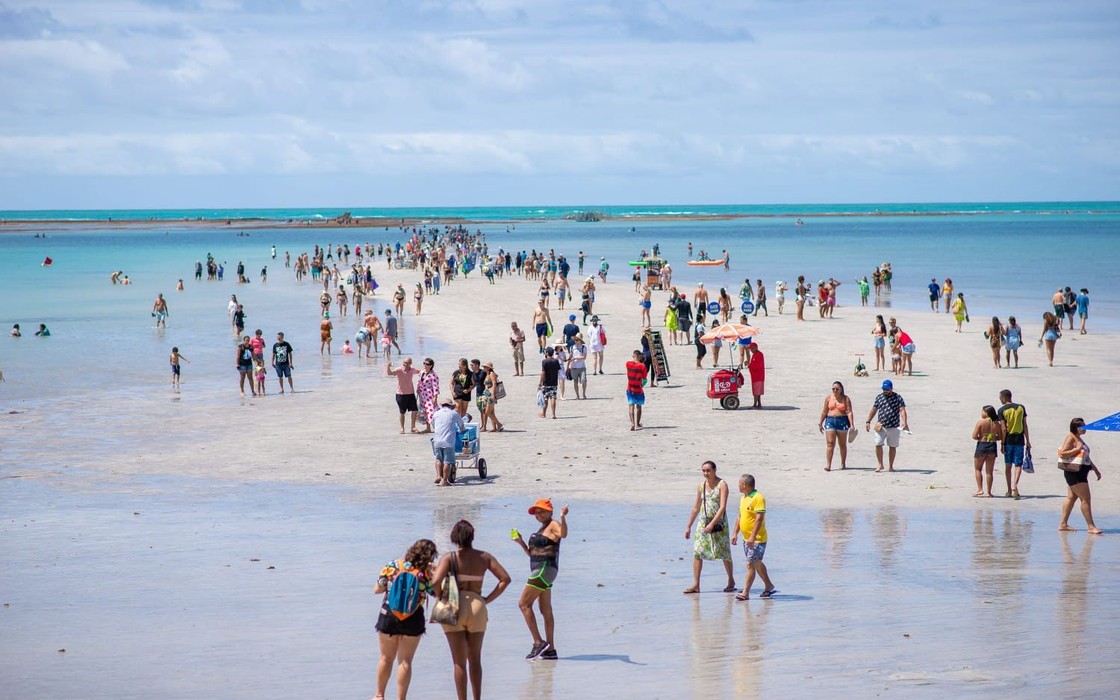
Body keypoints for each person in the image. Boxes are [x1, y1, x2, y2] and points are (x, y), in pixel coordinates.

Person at [430, 520, 511, 700]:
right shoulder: (484, 557)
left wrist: (441, 596)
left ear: (454, 537)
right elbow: (505, 579)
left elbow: (435, 582)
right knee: (475, 659)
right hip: (476, 605)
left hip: (453, 604)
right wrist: (486, 600)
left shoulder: (449, 558)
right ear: (472, 536)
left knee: (459, 662)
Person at [373, 539, 439, 700]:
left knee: (385, 658)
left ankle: (379, 695)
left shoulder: (393, 565)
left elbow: (377, 590)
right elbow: (437, 593)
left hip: (388, 614)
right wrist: (436, 571)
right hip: (413, 617)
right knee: (405, 661)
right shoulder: (426, 574)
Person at [513, 499, 569, 660]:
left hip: (544, 570)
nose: (539, 515)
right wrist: (521, 542)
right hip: (543, 570)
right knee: (545, 609)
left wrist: (563, 517)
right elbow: (532, 554)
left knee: (523, 604)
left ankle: (538, 642)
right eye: (536, 513)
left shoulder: (553, 525)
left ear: (550, 512)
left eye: (542, 511)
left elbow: (563, 534)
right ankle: (550, 649)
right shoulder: (542, 528)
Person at [683, 461, 735, 594]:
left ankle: (730, 580)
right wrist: (689, 525)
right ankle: (696, 584)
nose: (706, 473)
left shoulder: (722, 485)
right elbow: (696, 507)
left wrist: (712, 524)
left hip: (719, 523)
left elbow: (723, 507)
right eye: (703, 471)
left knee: (723, 551)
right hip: (703, 521)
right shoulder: (701, 485)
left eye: (708, 471)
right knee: (697, 551)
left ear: (714, 470)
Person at [731, 473, 777, 601]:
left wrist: (752, 537)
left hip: (757, 539)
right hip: (746, 539)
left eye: (739, 484)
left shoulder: (758, 498)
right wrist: (735, 533)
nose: (738, 486)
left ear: (744, 484)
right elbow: (740, 517)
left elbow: (759, 519)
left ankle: (745, 593)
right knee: (756, 563)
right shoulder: (743, 498)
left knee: (750, 564)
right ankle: (769, 585)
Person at [1057, 418, 1103, 535]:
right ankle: (1091, 526)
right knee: (1086, 499)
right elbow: (1062, 453)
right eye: (1083, 426)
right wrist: (1076, 448)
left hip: (1080, 471)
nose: (1085, 428)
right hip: (1075, 472)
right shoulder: (1071, 437)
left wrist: (1095, 469)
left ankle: (1063, 524)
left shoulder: (1078, 438)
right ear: (1077, 428)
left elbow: (1085, 456)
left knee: (1071, 498)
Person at [865, 379, 909, 472]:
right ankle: (880, 464)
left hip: (894, 426)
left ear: (891, 388)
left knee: (892, 446)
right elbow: (874, 409)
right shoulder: (879, 397)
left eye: (887, 389)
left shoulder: (898, 397)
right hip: (881, 425)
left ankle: (891, 466)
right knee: (878, 444)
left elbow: (902, 410)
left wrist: (905, 421)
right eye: (884, 389)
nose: (885, 391)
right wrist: (868, 421)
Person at [997, 389, 1031, 499]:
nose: (999, 399)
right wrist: (1028, 441)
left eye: (1000, 397)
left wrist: (1002, 443)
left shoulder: (1001, 410)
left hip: (1008, 440)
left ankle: (1008, 490)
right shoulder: (1021, 407)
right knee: (1018, 465)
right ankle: (1014, 486)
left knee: (1008, 465)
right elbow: (1024, 425)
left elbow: (1003, 428)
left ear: (1004, 398)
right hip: (1020, 439)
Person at [819, 381, 855, 471]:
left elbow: (849, 412)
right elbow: (824, 411)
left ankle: (843, 463)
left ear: (841, 389)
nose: (835, 390)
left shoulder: (846, 399)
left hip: (842, 421)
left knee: (842, 444)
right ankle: (828, 465)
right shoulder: (828, 398)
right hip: (830, 421)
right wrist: (820, 422)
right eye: (833, 389)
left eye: (837, 389)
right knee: (830, 443)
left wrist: (852, 425)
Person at [971, 405, 1004, 498]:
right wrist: (993, 437)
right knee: (989, 471)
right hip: (992, 447)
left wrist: (981, 437)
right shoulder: (997, 424)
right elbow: (1000, 437)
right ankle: (989, 492)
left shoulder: (980, 423)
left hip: (982, 446)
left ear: (987, 413)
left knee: (978, 469)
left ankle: (980, 489)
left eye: (982, 411)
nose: (981, 413)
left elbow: (974, 436)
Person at [431, 400, 465, 486]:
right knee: (447, 461)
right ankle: (445, 481)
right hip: (448, 442)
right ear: (451, 406)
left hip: (437, 440)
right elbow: (461, 426)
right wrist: (461, 431)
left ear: (442, 406)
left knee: (438, 459)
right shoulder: (454, 414)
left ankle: (439, 476)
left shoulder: (436, 413)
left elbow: (433, 424)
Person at [388, 357, 421, 434]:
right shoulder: (399, 369)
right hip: (401, 394)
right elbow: (390, 373)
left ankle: (413, 427)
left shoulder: (412, 369)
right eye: (404, 362)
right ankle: (402, 428)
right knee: (402, 412)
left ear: (410, 363)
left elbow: (419, 371)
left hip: (411, 393)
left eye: (406, 363)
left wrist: (427, 370)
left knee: (415, 410)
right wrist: (388, 366)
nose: (404, 364)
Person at [416, 358, 440, 433]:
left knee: (431, 411)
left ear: (431, 366)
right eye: (424, 363)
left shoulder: (433, 375)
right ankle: (428, 427)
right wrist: (417, 388)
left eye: (427, 364)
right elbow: (419, 381)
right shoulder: (422, 372)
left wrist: (435, 397)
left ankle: (437, 427)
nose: (425, 365)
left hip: (429, 395)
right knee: (424, 411)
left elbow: (436, 386)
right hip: (422, 394)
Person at [625, 349, 646, 430]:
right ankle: (637, 423)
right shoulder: (642, 366)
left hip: (630, 389)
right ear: (640, 357)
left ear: (633, 356)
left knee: (631, 406)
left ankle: (632, 423)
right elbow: (644, 378)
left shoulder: (628, 364)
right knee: (639, 407)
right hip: (639, 389)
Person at [537, 347, 560, 419]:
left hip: (546, 382)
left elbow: (543, 373)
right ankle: (553, 414)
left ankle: (544, 413)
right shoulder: (556, 361)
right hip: (554, 382)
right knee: (553, 398)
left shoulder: (544, 361)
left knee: (545, 398)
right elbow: (558, 370)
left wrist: (540, 383)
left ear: (547, 353)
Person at [568, 334, 588, 399]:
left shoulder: (583, 347)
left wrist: (575, 358)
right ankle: (577, 395)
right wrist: (568, 366)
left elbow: (584, 357)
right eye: (575, 340)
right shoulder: (572, 347)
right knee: (575, 381)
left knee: (584, 380)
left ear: (580, 341)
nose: (575, 341)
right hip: (574, 367)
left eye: (577, 340)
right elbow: (570, 357)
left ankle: (584, 394)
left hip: (582, 367)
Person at [746, 345, 764, 409]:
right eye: (750, 349)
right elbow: (754, 364)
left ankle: (755, 404)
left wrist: (749, 365)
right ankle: (758, 404)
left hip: (758, 376)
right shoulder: (755, 354)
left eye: (752, 348)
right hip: (755, 376)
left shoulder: (759, 354)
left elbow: (757, 366)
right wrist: (749, 364)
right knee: (757, 391)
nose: (751, 350)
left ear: (756, 347)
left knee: (756, 391)